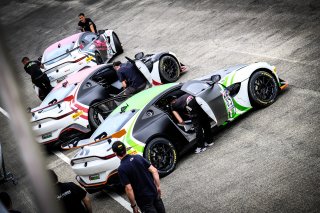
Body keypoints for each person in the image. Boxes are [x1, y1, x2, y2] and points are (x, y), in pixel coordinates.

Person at [112, 141, 165, 213]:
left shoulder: (121, 169)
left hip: (144, 201)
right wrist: (158, 187)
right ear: (126, 148)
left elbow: (129, 188)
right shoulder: (138, 157)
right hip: (154, 193)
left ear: (115, 153)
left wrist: (134, 206)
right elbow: (154, 171)